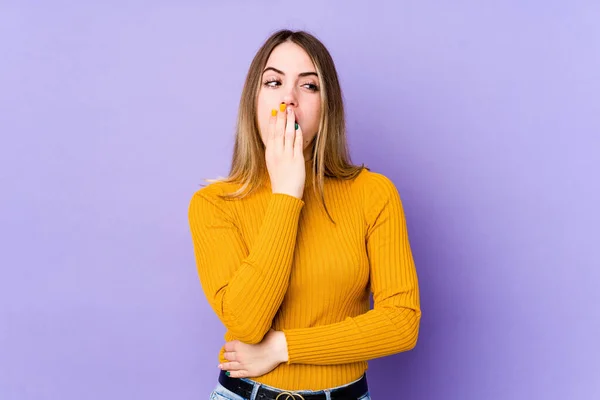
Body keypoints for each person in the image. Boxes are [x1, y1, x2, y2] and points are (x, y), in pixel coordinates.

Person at [188, 29, 421, 400]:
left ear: (328, 104)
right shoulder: (214, 203)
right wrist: (287, 193)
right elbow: (246, 323)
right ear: (253, 100)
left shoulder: (374, 193)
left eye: (309, 86)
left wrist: (283, 348)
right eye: (273, 82)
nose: (289, 98)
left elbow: (402, 323)